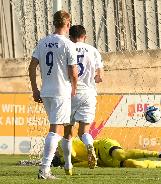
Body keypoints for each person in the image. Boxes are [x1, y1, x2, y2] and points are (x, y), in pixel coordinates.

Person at [28, 10, 78, 179]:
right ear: (68, 25)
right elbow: (73, 70)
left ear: (54, 24)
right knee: (55, 130)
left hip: (46, 91)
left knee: (56, 127)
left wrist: (35, 89)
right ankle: (44, 169)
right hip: (60, 91)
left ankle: (47, 168)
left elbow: (32, 66)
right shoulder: (68, 44)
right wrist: (74, 87)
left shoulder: (43, 42)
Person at [61, 25, 104, 175]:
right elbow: (100, 77)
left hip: (70, 94)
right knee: (84, 131)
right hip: (89, 94)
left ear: (70, 37)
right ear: (85, 37)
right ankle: (89, 145)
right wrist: (95, 78)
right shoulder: (93, 51)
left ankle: (68, 165)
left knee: (67, 132)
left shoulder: (67, 48)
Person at [52, 137, 161, 168]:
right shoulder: (70, 164)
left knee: (120, 155)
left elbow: (72, 154)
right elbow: (89, 164)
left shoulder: (62, 143)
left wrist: (63, 162)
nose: (55, 155)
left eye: (54, 154)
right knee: (135, 165)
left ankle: (159, 154)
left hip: (102, 147)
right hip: (105, 162)